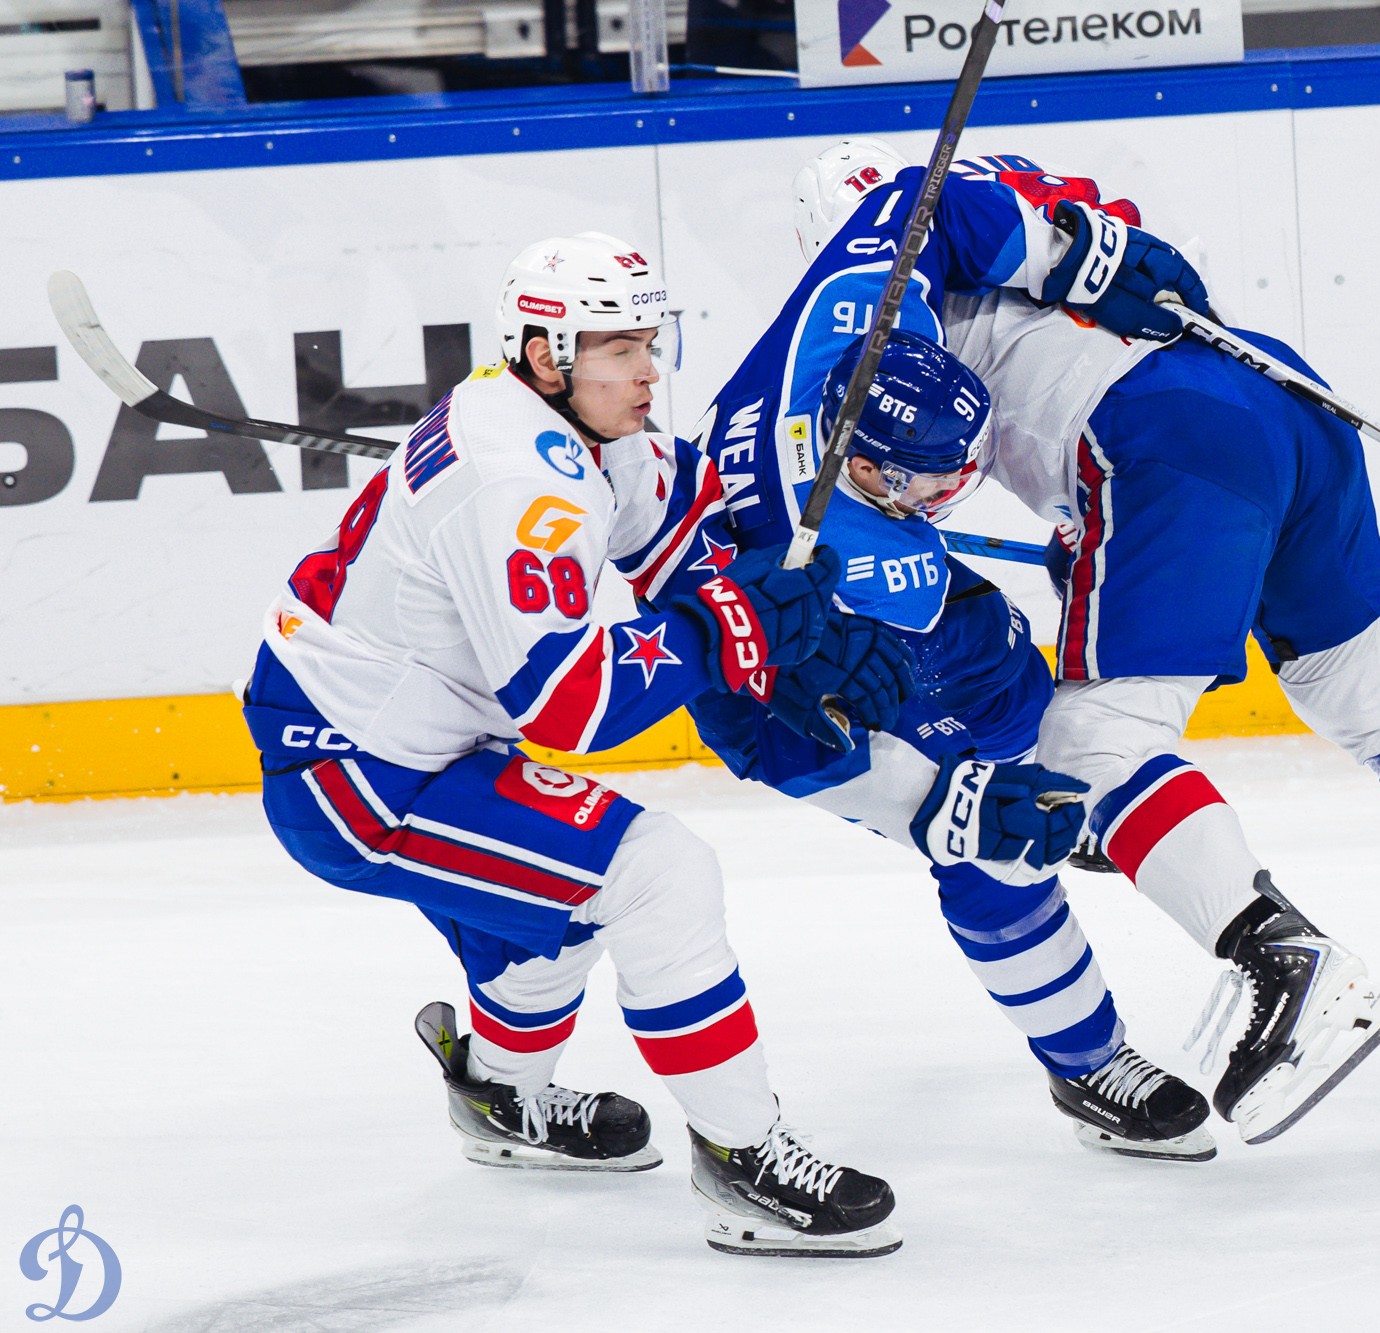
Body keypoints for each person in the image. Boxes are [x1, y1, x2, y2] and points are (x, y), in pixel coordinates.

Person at [795, 142, 1380, 1148]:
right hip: (1274, 390)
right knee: (1364, 684)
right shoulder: (1025, 195)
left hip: (1157, 436)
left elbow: (920, 458)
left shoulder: (885, 293)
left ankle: (1284, 961)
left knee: (1089, 745)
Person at [240, 231, 914, 1256]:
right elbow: (569, 710)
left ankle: (498, 1095)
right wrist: (726, 628)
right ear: (544, 355)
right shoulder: (519, 482)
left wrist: (781, 630)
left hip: (419, 737)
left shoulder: (578, 425)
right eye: (619, 349)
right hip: (355, 770)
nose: (649, 371)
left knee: (555, 912)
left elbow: (679, 528)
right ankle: (744, 1159)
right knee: (655, 874)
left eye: (650, 341)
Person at [619, 154, 1222, 1161]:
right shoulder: (822, 564)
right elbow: (755, 703)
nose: (948, 500)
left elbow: (920, 198)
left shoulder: (859, 316)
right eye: (932, 489)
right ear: (863, 466)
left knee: (1031, 706)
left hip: (915, 615)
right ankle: (1086, 1060)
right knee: (989, 848)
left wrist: (1072, 256)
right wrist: (943, 802)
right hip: (796, 690)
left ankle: (1053, 803)